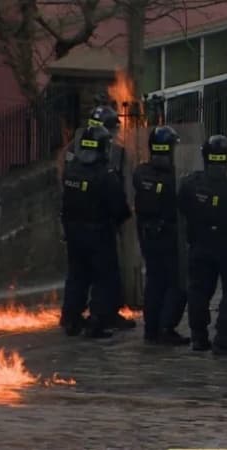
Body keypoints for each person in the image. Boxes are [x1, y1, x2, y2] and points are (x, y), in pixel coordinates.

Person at [178, 135, 227, 353]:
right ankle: (223, 338)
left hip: (199, 245)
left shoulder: (191, 184)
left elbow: (182, 205)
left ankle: (198, 337)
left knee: (198, 291)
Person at [60, 125, 131, 338]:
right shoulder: (105, 175)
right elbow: (119, 208)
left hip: (73, 232)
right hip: (99, 233)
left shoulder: (70, 170)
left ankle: (71, 318)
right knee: (104, 277)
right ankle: (97, 321)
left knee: (77, 275)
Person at [133, 126, 189, 346]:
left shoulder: (140, 173)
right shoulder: (175, 179)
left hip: (147, 236)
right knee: (175, 283)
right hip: (169, 236)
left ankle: (151, 328)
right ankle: (166, 327)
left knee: (154, 282)